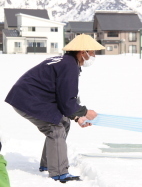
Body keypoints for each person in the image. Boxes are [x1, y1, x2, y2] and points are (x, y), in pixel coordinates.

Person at [4, 34, 105, 183]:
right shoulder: (69, 66)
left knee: (63, 122)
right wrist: (84, 112)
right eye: (92, 52)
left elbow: (65, 97)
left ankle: (49, 164)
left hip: (30, 97)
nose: (94, 56)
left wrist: (77, 116)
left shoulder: (66, 62)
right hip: (28, 99)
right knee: (55, 128)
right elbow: (66, 101)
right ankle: (58, 173)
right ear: (82, 52)